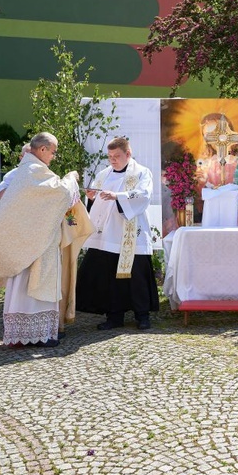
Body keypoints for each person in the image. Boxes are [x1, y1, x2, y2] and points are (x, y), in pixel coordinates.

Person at [0, 132, 80, 347]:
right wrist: (70, 178)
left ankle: (31, 334)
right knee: (31, 284)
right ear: (42, 150)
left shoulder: (28, 170)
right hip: (34, 242)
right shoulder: (34, 170)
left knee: (25, 285)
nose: (54, 156)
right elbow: (60, 194)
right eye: (53, 151)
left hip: (29, 239)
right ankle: (36, 336)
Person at [76, 136, 159, 330]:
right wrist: (91, 198)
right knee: (109, 275)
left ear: (128, 154)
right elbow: (96, 202)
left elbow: (144, 195)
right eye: (110, 156)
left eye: (117, 156)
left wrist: (118, 197)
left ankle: (142, 315)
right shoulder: (104, 174)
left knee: (136, 274)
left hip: (132, 233)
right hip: (108, 234)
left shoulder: (141, 172)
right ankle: (114, 316)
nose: (113, 160)